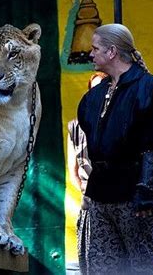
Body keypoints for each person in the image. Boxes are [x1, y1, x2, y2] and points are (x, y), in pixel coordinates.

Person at [77, 24, 153, 274]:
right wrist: (90, 196)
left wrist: (146, 190)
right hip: (101, 194)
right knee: (103, 267)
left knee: (143, 266)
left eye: (95, 48)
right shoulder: (92, 97)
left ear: (112, 51)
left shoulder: (152, 89)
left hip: (135, 194)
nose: (90, 54)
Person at [67, 72, 107, 274]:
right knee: (89, 253)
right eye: (94, 90)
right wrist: (85, 190)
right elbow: (73, 170)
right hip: (89, 197)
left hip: (112, 195)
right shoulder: (75, 127)